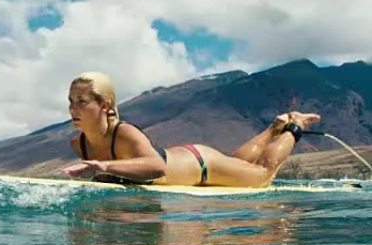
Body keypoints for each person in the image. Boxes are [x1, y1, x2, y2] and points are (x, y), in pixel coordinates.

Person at [61, 72, 321, 187]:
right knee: (236, 163)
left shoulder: (125, 133)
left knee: (262, 174)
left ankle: (294, 125)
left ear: (104, 105)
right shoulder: (79, 143)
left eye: (82, 102)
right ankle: (274, 128)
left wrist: (101, 167)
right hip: (185, 157)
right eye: (71, 102)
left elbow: (157, 168)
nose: (74, 109)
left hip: (202, 167)